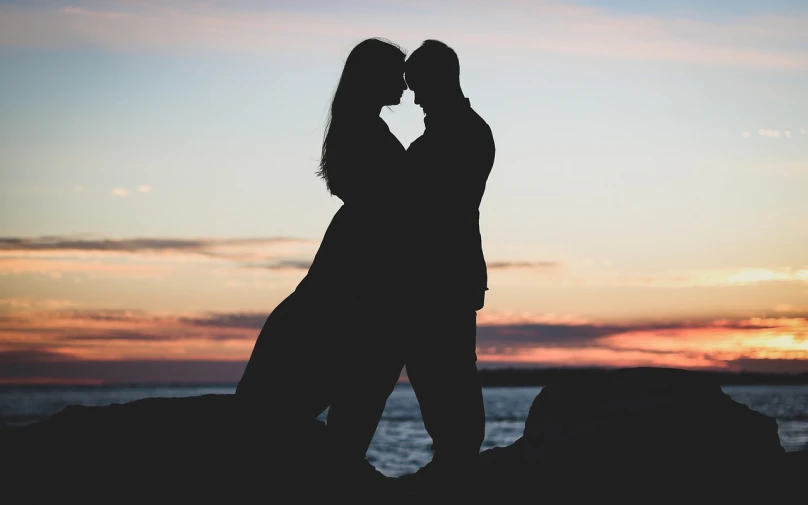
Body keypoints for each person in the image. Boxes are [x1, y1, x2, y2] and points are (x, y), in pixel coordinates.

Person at [324, 39, 496, 496]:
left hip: (437, 288)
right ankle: (343, 474)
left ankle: (453, 477)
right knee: (386, 385)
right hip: (410, 289)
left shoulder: (461, 135)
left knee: (445, 389)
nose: (413, 96)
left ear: (441, 81)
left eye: (417, 85)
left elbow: (427, 214)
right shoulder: (436, 138)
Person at [234, 37, 408, 484]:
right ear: (374, 78)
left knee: (347, 388)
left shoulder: (360, 127)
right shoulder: (367, 132)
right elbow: (389, 203)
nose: (405, 81)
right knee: (359, 384)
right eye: (397, 71)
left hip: (353, 259)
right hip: (361, 270)